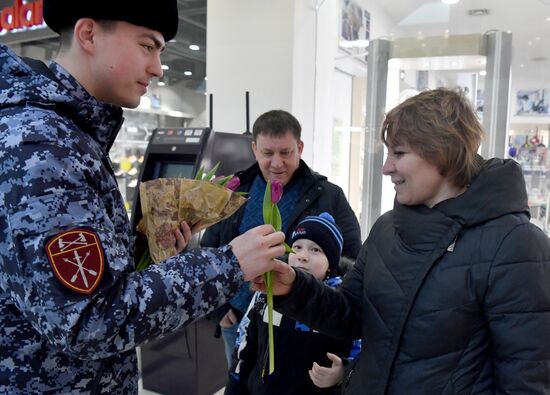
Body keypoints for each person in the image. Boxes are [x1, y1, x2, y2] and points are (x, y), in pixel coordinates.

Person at [0, 1, 286, 393]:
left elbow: (63, 283)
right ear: (88, 34)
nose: (157, 67)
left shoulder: (67, 136)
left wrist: (136, 248)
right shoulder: (44, 148)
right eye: (147, 46)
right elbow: (91, 320)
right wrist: (230, 264)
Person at [255, 88, 550, 394]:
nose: (386, 168)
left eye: (399, 153)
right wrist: (292, 287)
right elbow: (350, 314)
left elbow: (526, 379)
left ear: (442, 154)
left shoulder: (516, 245)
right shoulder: (387, 228)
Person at [200, 109, 362, 366]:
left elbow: (353, 261)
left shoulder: (329, 196)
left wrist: (314, 279)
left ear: (299, 147)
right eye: (267, 153)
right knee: (241, 382)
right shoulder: (234, 191)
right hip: (239, 317)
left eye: (285, 153)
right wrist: (219, 308)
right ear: (254, 149)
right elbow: (208, 252)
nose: (277, 163)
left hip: (303, 326)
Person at [224, 213, 357, 395]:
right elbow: (245, 342)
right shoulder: (267, 292)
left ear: (330, 264)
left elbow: (360, 350)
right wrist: (236, 385)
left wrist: (343, 372)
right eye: (297, 247)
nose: (302, 256)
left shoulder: (340, 303)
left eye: (315, 250)